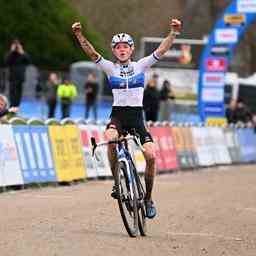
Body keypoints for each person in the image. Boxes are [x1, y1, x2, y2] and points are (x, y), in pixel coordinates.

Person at [72, 18, 182, 219]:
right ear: (114, 51)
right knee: (110, 139)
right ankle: (117, 182)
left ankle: (148, 198)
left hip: (136, 118)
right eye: (118, 47)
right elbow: (92, 53)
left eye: (125, 46)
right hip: (118, 116)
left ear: (131, 50)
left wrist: (173, 33)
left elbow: (162, 50)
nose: (122, 50)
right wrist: (79, 35)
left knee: (151, 156)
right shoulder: (109, 68)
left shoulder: (141, 65)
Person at [5, 39, 31, 107]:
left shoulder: (22, 54)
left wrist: (21, 51)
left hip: (20, 78)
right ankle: (12, 107)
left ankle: (16, 107)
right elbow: (6, 62)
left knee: (18, 95)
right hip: (12, 78)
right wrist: (11, 51)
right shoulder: (11, 55)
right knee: (12, 94)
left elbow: (28, 61)